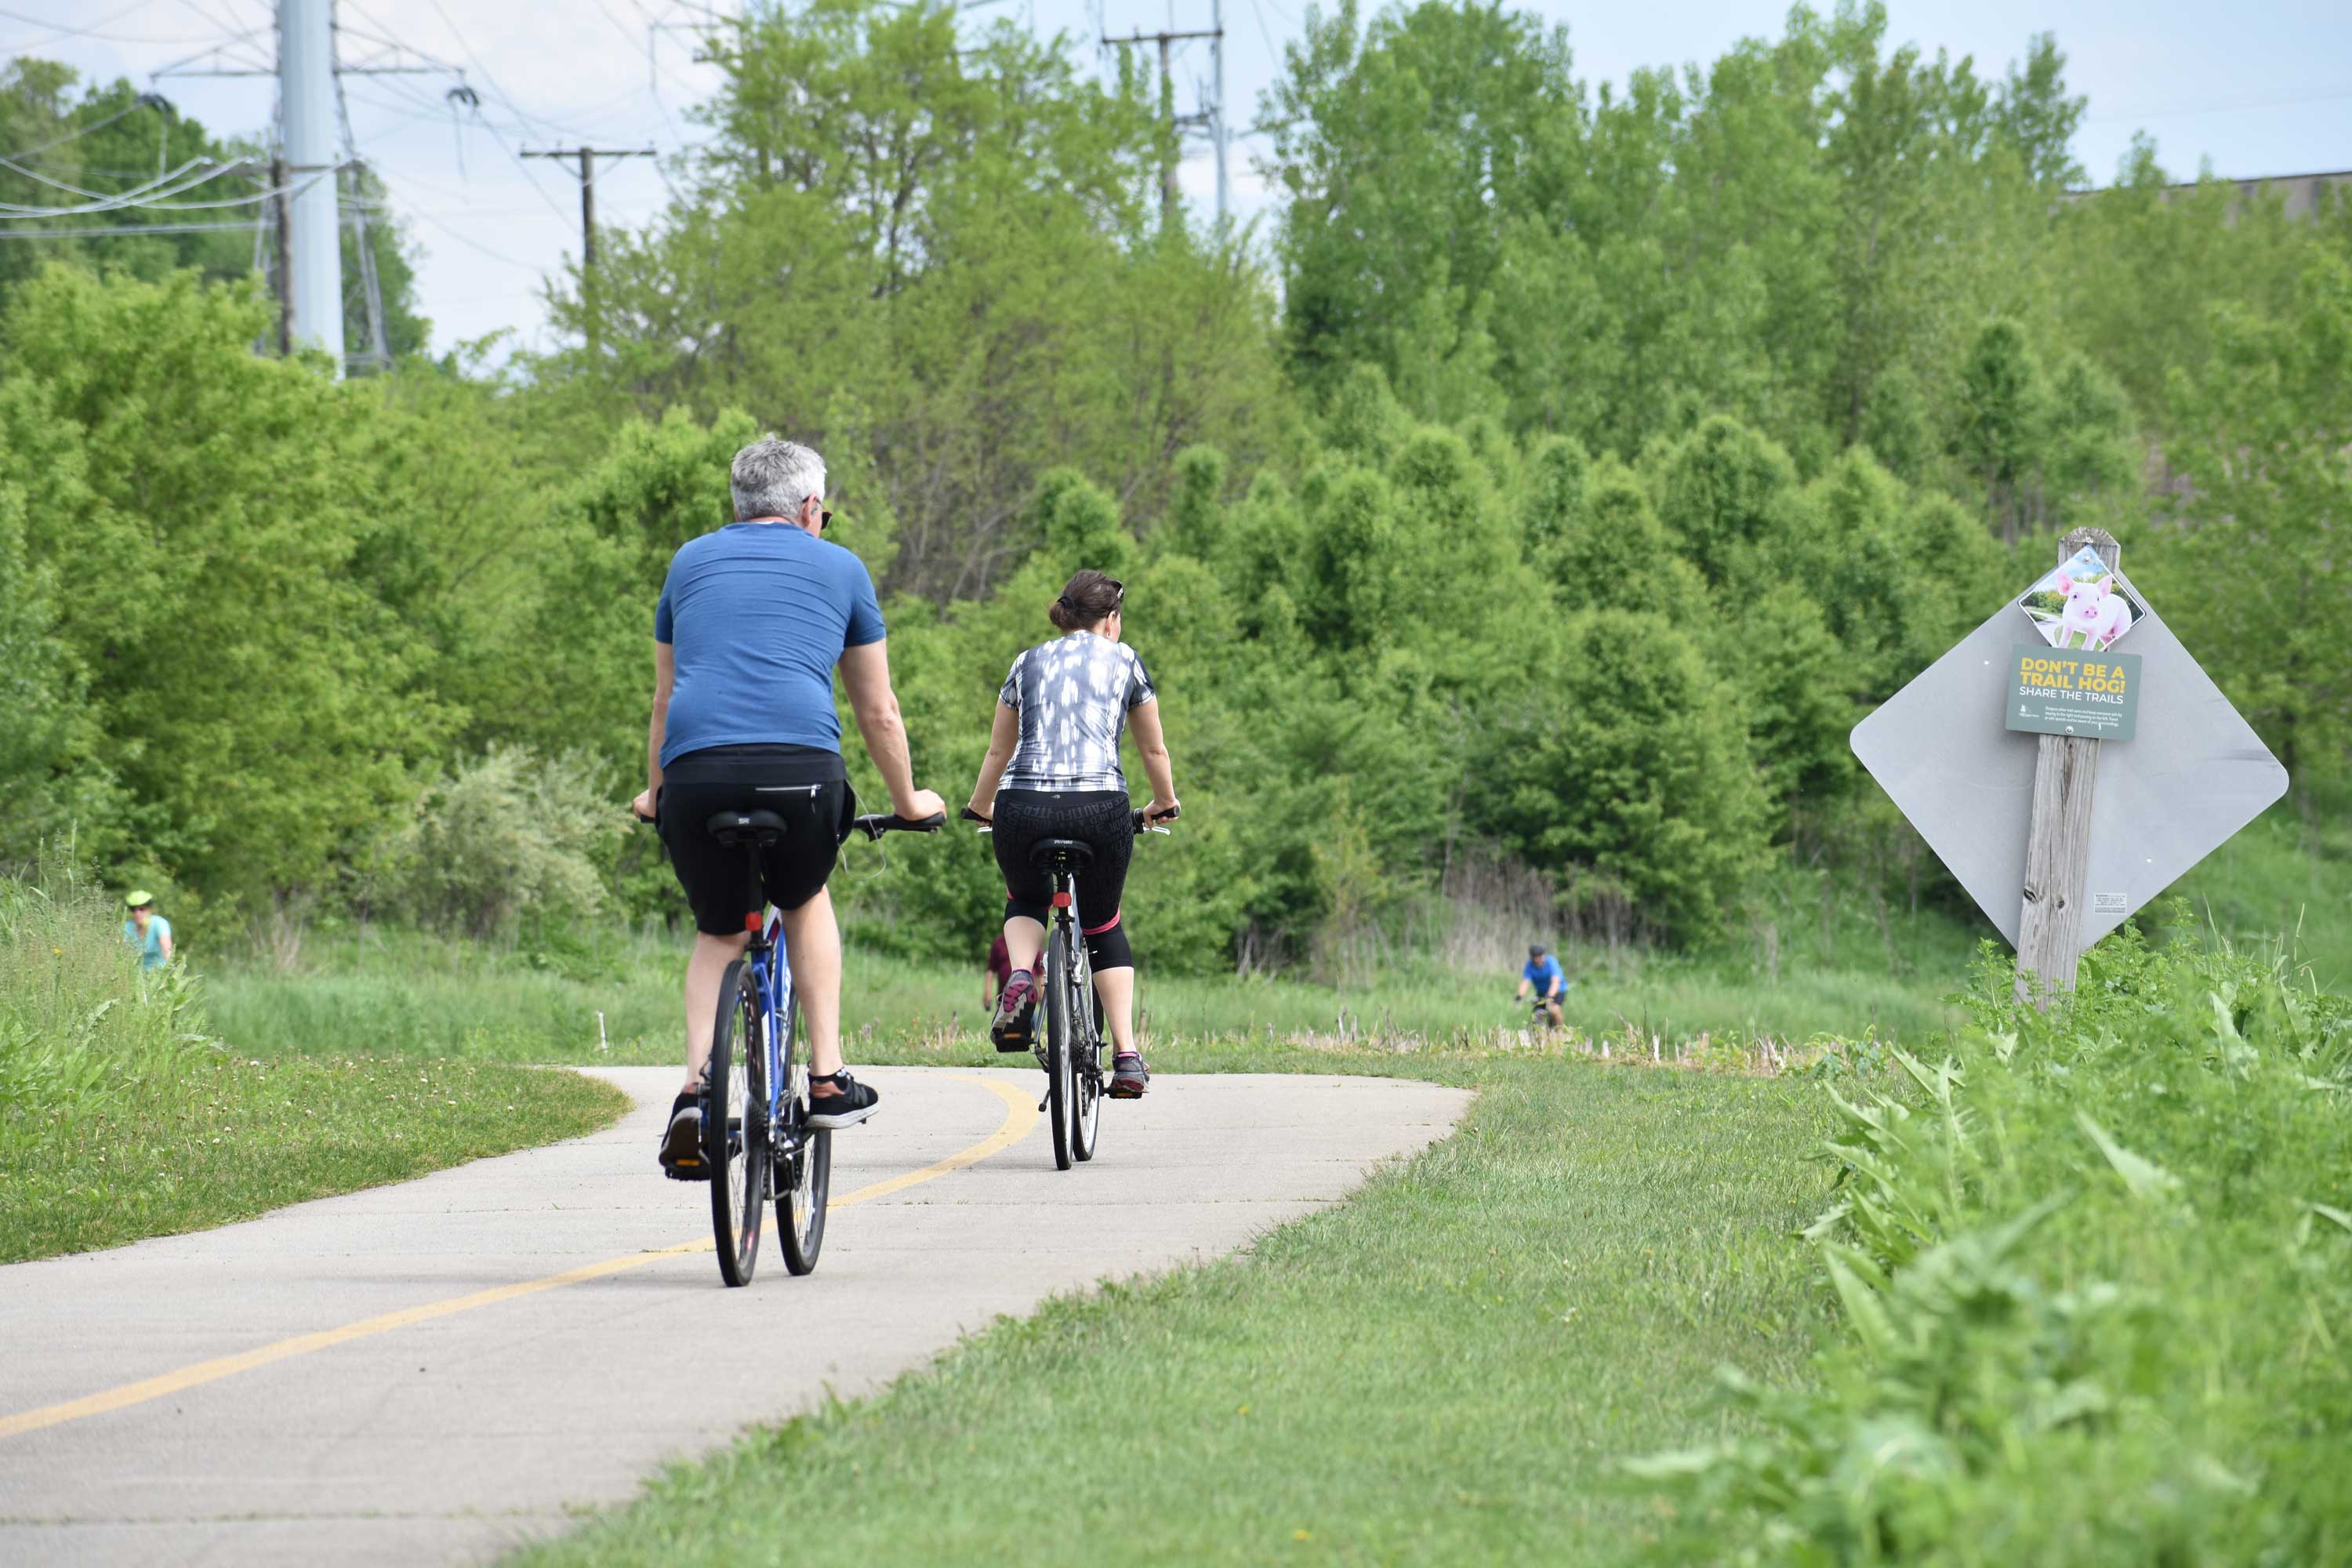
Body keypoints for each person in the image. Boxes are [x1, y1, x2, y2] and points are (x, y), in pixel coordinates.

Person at [630, 437, 945, 1175]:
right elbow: (878, 709)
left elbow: (665, 698)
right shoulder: (841, 568)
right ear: (810, 509)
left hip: (697, 774)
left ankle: (694, 1095)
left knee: (717, 935)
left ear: (738, 505)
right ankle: (828, 1079)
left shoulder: (689, 561)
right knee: (803, 898)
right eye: (824, 512)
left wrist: (655, 792)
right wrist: (908, 799)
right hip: (800, 774)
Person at [965, 569, 1178, 1098]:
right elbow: (1153, 751)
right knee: (1103, 923)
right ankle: (1127, 1056)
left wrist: (980, 807)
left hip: (1022, 806)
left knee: (1026, 900)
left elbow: (998, 751)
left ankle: (1020, 976)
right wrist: (1164, 803)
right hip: (1099, 807)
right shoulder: (1124, 659)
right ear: (1110, 620)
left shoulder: (1027, 661)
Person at [1518, 942, 1567, 1026]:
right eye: (1535, 958)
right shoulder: (1529, 965)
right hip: (1542, 992)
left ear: (1544, 955)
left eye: (1540, 957)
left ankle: (1560, 1031)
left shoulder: (1551, 962)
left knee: (1554, 1009)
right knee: (1536, 1015)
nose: (1538, 960)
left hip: (1557, 991)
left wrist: (1550, 996)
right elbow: (1525, 982)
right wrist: (1520, 995)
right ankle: (1538, 1035)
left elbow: (1555, 982)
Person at [122, 891, 173, 970]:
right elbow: (122, 952)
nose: (137, 913)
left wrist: (171, 970)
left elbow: (166, 949)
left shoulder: (159, 923)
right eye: (133, 910)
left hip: (158, 972)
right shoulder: (127, 927)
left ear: (150, 909)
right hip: (135, 974)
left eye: (141, 909)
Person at [982, 931, 1013, 1014]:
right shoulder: (1000, 942)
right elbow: (991, 970)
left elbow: (1039, 972)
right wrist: (987, 993)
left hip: (1025, 997)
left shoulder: (1027, 941)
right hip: (1003, 998)